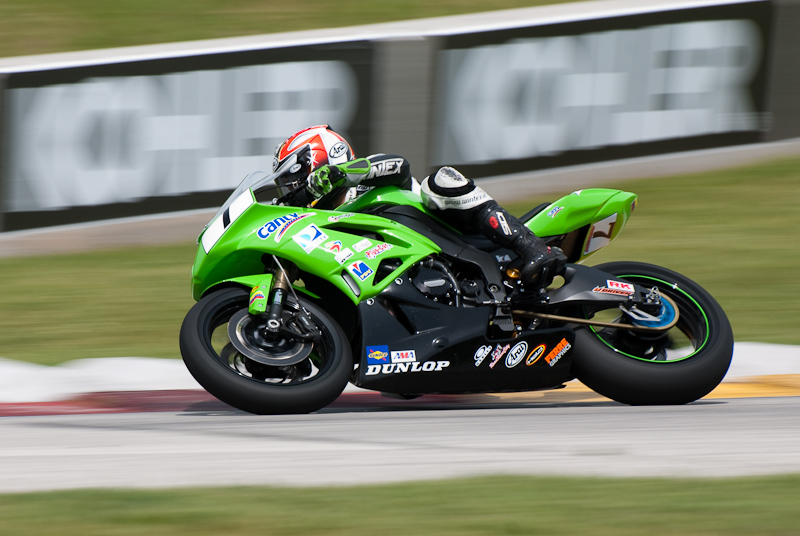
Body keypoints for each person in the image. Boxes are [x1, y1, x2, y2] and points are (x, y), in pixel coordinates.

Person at [273, 125, 566, 286]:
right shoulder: (324, 225)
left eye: (294, 179)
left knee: (440, 181)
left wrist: (342, 174)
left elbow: (400, 165)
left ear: (321, 160)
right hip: (423, 279)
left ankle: (531, 247)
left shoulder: (362, 179)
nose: (293, 189)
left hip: (457, 238)